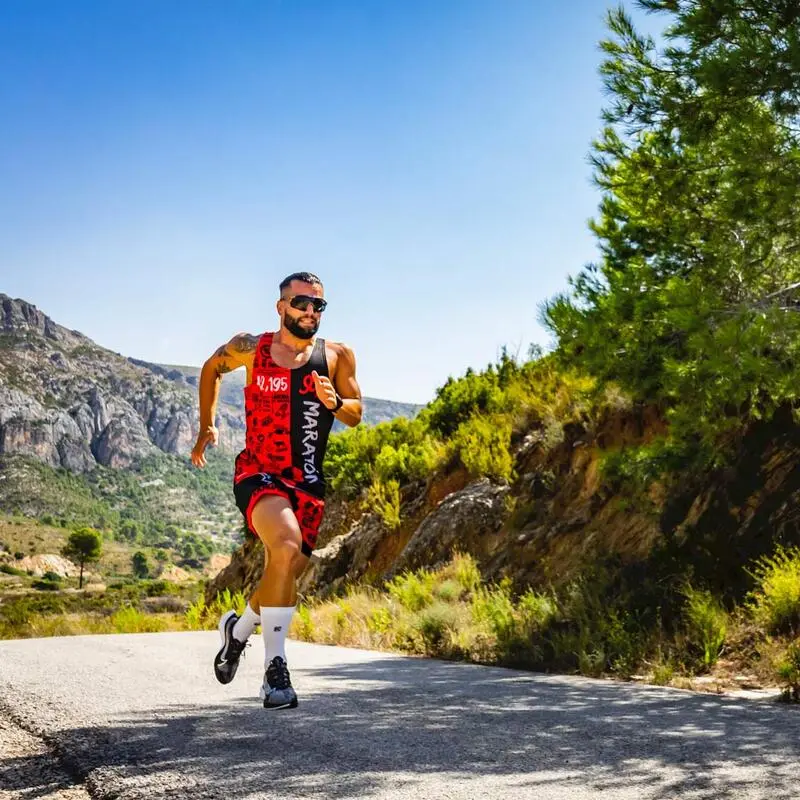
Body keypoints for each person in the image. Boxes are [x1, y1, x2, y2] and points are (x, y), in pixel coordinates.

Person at [191, 272, 362, 708]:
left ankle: (238, 631)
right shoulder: (252, 348)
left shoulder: (337, 356)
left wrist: (335, 404)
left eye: (318, 305)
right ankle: (275, 670)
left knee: (284, 571)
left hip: (307, 483)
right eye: (301, 302)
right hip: (259, 473)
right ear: (281, 306)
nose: (309, 311)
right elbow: (212, 368)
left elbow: (357, 412)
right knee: (284, 546)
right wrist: (207, 424)